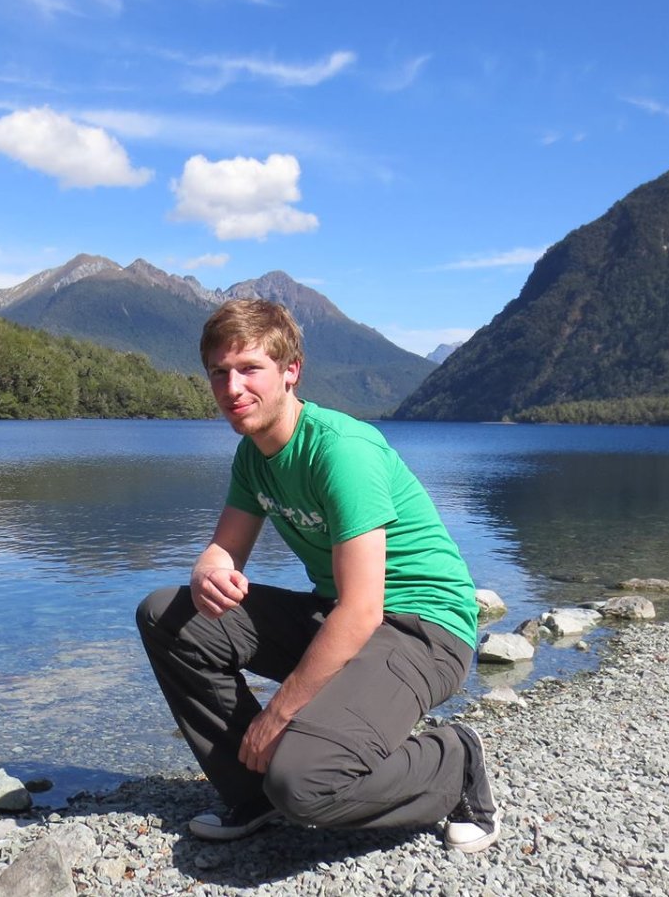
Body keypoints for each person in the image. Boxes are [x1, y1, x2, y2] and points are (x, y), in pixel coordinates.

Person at [136, 298, 501, 853]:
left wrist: (278, 714)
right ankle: (250, 792)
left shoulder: (341, 451)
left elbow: (363, 609)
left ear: (291, 371)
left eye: (250, 368)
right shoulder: (253, 456)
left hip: (424, 629)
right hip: (341, 615)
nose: (232, 388)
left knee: (305, 784)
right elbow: (224, 550)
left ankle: (454, 763)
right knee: (168, 615)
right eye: (219, 372)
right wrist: (208, 569)